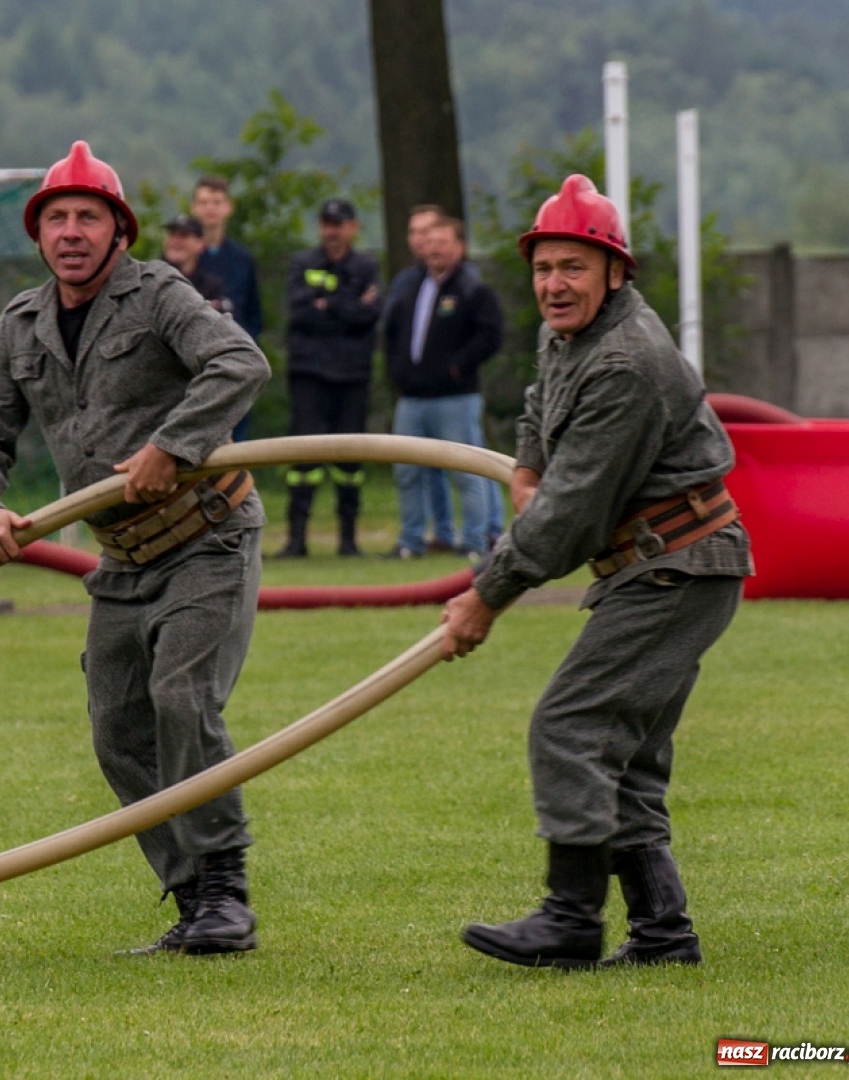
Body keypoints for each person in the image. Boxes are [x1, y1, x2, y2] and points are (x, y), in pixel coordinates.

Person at [0, 141, 269, 956]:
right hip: (123, 559)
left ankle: (226, 890)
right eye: (56, 218)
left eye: (88, 217)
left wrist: (175, 443)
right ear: (37, 235)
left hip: (207, 535)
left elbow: (240, 362)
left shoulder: (159, 294)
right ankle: (193, 899)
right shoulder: (20, 324)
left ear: (118, 230)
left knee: (181, 698)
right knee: (118, 729)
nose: (71, 232)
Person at [442, 174, 752, 969]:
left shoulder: (625, 362)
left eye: (573, 267)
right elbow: (542, 399)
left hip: (678, 565)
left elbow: (571, 515)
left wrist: (486, 595)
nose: (554, 284)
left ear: (615, 272)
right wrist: (527, 464)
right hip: (656, 563)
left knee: (571, 725)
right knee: (625, 751)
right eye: (544, 268)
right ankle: (662, 934)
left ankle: (571, 920)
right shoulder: (573, 334)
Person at [382, 216, 504, 560]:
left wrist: (457, 365)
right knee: (407, 471)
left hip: (456, 398)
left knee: (467, 470)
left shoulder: (471, 288)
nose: (434, 249)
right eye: (430, 242)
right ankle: (411, 541)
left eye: (442, 242)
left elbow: (490, 335)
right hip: (412, 398)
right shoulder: (411, 286)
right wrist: (398, 371)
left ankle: (475, 541)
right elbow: (391, 331)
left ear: (459, 246)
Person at [277, 197, 381, 558]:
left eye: (338, 225)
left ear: (353, 227)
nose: (331, 232)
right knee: (303, 457)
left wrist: (328, 302)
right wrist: (348, 304)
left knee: (350, 460)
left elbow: (370, 314)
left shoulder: (366, 266)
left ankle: (348, 540)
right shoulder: (303, 263)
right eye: (326, 224)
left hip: (352, 376)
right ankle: (296, 539)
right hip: (309, 373)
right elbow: (299, 312)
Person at [192, 176, 263, 441]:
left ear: (228, 207)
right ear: (194, 208)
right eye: (204, 202)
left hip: (235, 362)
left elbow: (254, 312)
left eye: (216, 202)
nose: (210, 208)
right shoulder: (183, 258)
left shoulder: (242, 259)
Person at [161, 213, 230, 314]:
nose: (175, 241)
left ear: (200, 244)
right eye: (172, 235)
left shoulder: (213, 289)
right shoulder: (152, 279)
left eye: (183, 235)